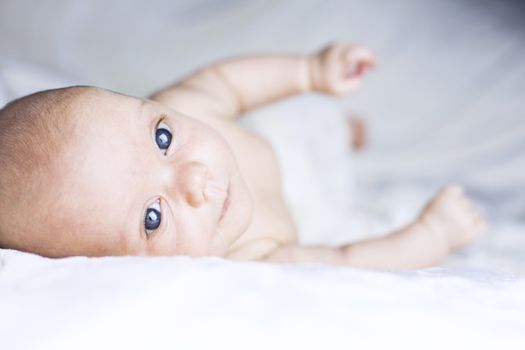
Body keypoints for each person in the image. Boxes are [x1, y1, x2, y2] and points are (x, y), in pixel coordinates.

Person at [0, 43, 488, 269]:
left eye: (163, 139)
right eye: (152, 217)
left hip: (280, 139)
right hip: (319, 199)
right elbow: (347, 259)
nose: (194, 178)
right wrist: (432, 234)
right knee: (351, 204)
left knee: (316, 122)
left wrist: (309, 71)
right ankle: (342, 142)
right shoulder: (246, 258)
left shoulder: (186, 108)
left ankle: (340, 130)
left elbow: (226, 84)